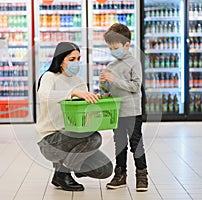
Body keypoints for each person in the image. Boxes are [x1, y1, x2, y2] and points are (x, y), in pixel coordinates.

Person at [36, 42, 113, 192]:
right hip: (52, 140)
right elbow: (44, 96)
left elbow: (85, 110)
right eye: (71, 59)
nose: (76, 63)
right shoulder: (49, 77)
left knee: (105, 170)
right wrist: (73, 93)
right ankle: (62, 173)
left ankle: (65, 166)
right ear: (60, 60)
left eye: (78, 59)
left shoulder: (78, 81)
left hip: (75, 136)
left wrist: (98, 100)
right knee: (94, 138)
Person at [99, 23, 148, 191]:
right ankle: (120, 175)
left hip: (132, 111)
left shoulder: (134, 63)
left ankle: (142, 176)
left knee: (136, 143)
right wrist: (103, 85)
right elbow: (109, 90)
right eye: (110, 48)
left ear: (127, 45)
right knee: (119, 144)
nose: (113, 51)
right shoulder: (111, 66)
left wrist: (115, 80)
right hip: (116, 112)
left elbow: (135, 86)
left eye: (116, 47)